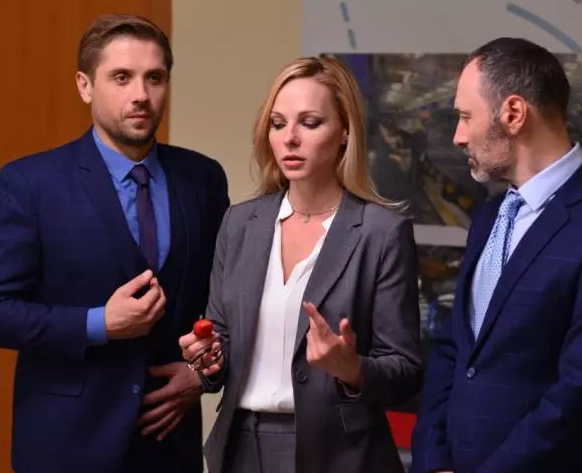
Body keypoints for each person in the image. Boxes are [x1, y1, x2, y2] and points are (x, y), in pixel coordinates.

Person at [0, 14, 229, 473]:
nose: (141, 94)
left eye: (154, 78)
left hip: (170, 446)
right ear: (85, 86)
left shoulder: (202, 178)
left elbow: (229, 303)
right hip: (65, 446)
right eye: (121, 78)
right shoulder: (31, 183)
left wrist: (201, 376)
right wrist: (99, 323)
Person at [179, 55, 423, 473]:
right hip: (240, 449)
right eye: (278, 124)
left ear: (345, 133)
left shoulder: (381, 233)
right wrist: (207, 357)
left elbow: (406, 372)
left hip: (340, 455)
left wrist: (352, 369)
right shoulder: (239, 223)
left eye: (310, 123)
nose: (290, 138)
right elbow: (222, 343)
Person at [410, 37, 582, 473]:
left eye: (466, 117)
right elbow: (453, 349)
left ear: (513, 113)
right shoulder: (489, 217)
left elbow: (574, 392)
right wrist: (434, 461)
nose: (457, 136)